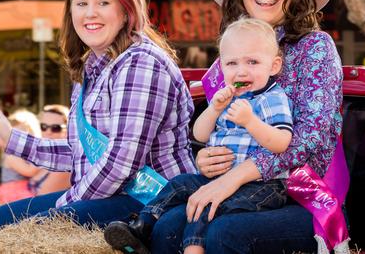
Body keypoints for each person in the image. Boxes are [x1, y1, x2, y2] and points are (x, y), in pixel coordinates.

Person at [150, 0, 344, 254]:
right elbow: (208, 130)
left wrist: (234, 177)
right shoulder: (227, 60)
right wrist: (205, 159)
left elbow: (310, 139)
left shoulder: (315, 47)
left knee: (224, 233)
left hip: (301, 193)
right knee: (167, 227)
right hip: (233, 188)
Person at [0, 0, 197, 229]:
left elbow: (122, 161)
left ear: (126, 9)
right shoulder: (92, 69)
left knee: (20, 226)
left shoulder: (140, 62)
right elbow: (81, 153)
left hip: (154, 202)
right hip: (110, 196)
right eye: (81, 3)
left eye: (103, 3)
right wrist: (13, 140)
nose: (90, 13)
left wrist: (64, 208)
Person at [105, 18, 293, 254]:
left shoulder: (273, 98)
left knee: (207, 205)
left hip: (262, 185)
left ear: (274, 66)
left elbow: (282, 142)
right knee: (179, 184)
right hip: (217, 179)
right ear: (222, 67)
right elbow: (199, 134)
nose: (241, 70)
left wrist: (251, 122)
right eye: (232, 63)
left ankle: (194, 249)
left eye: (253, 62)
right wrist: (214, 109)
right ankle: (141, 226)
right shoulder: (229, 97)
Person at [0, 109, 43, 206]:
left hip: (22, 187)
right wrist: (45, 160)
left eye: (25, 137)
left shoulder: (25, 152)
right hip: (14, 191)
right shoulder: (11, 155)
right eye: (17, 138)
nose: (21, 142)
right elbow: (29, 171)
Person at [31, 104, 72, 195]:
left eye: (55, 128)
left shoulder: (65, 164)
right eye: (44, 127)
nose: (48, 132)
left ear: (68, 130)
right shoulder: (42, 155)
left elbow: (38, 202)